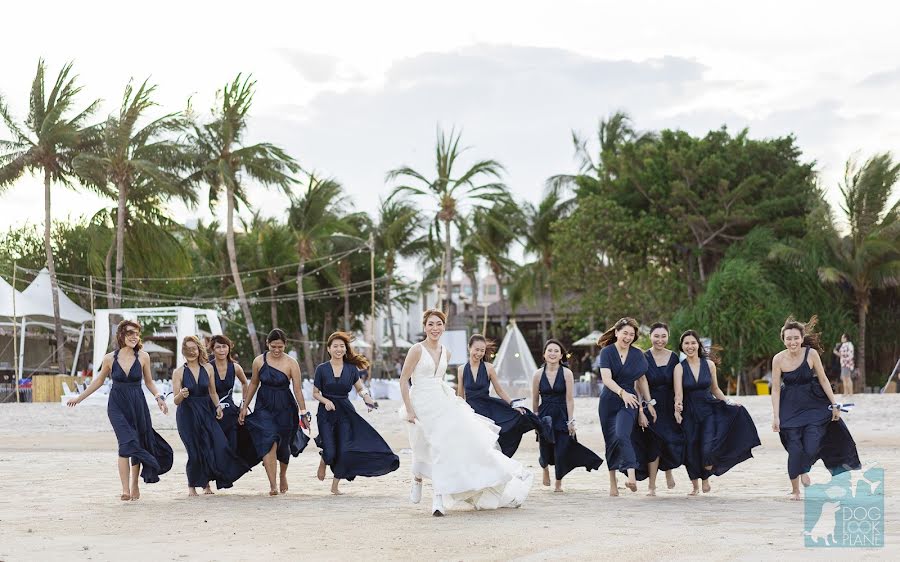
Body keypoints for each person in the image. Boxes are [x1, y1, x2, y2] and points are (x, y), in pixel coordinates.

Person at [400, 309, 532, 516]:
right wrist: (409, 409)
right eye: (431, 324)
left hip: (441, 399)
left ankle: (438, 498)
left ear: (444, 326)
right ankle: (417, 476)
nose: (435, 328)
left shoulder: (446, 351)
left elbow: (440, 380)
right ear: (424, 326)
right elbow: (403, 379)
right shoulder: (416, 350)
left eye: (439, 324)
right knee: (422, 444)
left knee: (444, 445)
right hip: (420, 401)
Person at [67, 320, 173, 501]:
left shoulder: (143, 357)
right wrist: (79, 398)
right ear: (121, 335)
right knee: (126, 442)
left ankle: (134, 484)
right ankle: (125, 489)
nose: (134, 337)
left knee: (136, 441)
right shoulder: (109, 358)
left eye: (136, 333)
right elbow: (98, 381)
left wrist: (159, 397)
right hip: (117, 405)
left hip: (137, 405)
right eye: (130, 333)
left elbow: (149, 382)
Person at [772, 316, 861, 500]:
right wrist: (776, 416)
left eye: (796, 338)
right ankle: (795, 490)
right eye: (788, 338)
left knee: (812, 445)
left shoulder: (811, 354)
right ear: (783, 339)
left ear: (802, 337)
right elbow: (774, 388)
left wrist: (835, 404)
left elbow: (823, 379)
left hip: (813, 406)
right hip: (789, 408)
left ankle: (804, 468)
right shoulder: (778, 359)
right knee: (795, 448)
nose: (792, 342)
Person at [674, 330, 761, 495]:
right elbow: (679, 393)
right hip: (689, 413)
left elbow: (715, 388)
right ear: (682, 346)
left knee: (707, 448)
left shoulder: (709, 365)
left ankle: (706, 477)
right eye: (686, 343)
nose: (690, 346)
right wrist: (677, 409)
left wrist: (728, 401)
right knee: (691, 449)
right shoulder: (679, 368)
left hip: (708, 410)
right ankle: (695, 486)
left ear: (698, 345)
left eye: (693, 343)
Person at [313, 331, 399, 495]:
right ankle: (324, 459)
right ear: (329, 349)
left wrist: (367, 397)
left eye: (342, 346)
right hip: (326, 413)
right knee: (331, 452)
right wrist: (326, 401)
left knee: (345, 449)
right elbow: (315, 393)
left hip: (346, 412)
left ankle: (335, 486)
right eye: (335, 346)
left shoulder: (351, 369)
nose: (339, 349)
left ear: (345, 349)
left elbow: (359, 388)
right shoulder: (322, 369)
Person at [172, 336, 250, 496]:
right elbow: (175, 400)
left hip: (206, 412)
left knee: (211, 446)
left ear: (199, 349)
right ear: (183, 351)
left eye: (194, 348)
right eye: (188, 349)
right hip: (187, 414)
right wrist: (181, 394)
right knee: (193, 451)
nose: (191, 352)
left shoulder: (208, 368)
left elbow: (212, 392)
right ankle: (192, 486)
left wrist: (218, 407)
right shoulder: (178, 372)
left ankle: (207, 485)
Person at [457, 334, 553, 457]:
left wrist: (513, 404)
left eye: (482, 350)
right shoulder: (461, 369)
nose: (479, 353)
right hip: (472, 412)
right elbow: (460, 395)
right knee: (475, 444)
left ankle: (543, 425)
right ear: (469, 348)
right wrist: (459, 414)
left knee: (519, 416)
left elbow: (500, 391)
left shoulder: (489, 368)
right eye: (477, 349)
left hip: (488, 409)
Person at [239, 329, 310, 496]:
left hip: (285, 407)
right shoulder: (259, 361)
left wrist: (303, 413)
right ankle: (272, 485)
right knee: (268, 441)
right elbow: (254, 384)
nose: (277, 350)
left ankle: (282, 475)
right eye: (273, 346)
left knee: (283, 446)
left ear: (285, 345)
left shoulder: (292, 363)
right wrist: (244, 406)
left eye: (280, 347)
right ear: (267, 344)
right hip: (264, 406)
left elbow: (298, 390)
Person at [533, 339, 603, 492]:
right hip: (545, 415)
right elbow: (535, 399)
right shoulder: (538, 374)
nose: (552, 353)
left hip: (562, 413)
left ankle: (558, 482)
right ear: (544, 354)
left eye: (556, 351)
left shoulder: (567, 373)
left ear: (561, 355)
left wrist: (571, 420)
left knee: (561, 449)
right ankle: (544, 468)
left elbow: (570, 399)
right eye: (549, 350)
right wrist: (535, 420)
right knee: (545, 449)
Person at [597, 317, 656, 496]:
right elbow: (606, 379)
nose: (628, 337)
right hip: (609, 400)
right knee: (611, 441)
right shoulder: (606, 352)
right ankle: (613, 482)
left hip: (630, 401)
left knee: (623, 434)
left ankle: (631, 476)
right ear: (616, 333)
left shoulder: (638, 354)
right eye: (625, 333)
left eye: (632, 334)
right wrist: (621, 393)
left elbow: (642, 379)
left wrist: (648, 403)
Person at [641, 322, 685, 495]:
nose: (660, 340)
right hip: (652, 405)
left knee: (669, 440)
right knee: (653, 443)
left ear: (668, 337)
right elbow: (640, 384)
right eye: (656, 336)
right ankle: (652, 485)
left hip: (669, 404)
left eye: (663, 336)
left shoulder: (674, 357)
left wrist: (677, 406)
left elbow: (677, 385)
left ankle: (668, 471)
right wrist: (645, 405)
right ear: (650, 337)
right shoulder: (643, 357)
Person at [208, 335, 249, 452]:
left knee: (232, 446)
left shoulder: (235, 367)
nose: (221, 350)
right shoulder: (207, 367)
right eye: (218, 347)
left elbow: (245, 383)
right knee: (214, 446)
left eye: (224, 346)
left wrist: (243, 404)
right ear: (213, 349)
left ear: (229, 348)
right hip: (211, 412)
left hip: (230, 412)